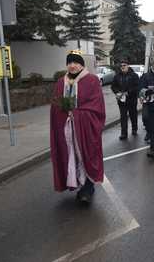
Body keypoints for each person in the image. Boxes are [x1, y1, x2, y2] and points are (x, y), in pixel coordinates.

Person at [50, 50, 106, 203]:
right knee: (70, 156)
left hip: (85, 129)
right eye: (69, 62)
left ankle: (88, 188)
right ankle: (75, 184)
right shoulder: (61, 82)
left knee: (87, 156)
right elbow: (55, 106)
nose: (72, 65)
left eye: (76, 62)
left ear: (82, 64)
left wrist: (77, 114)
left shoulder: (92, 80)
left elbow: (97, 107)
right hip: (67, 130)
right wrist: (62, 114)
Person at [111, 59, 139, 140]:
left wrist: (128, 92)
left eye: (124, 65)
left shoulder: (134, 75)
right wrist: (117, 92)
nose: (122, 67)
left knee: (133, 115)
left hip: (131, 99)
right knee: (123, 117)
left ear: (128, 66)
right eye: (121, 66)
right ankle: (124, 133)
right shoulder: (117, 76)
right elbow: (113, 86)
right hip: (121, 100)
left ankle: (134, 129)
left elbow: (137, 87)